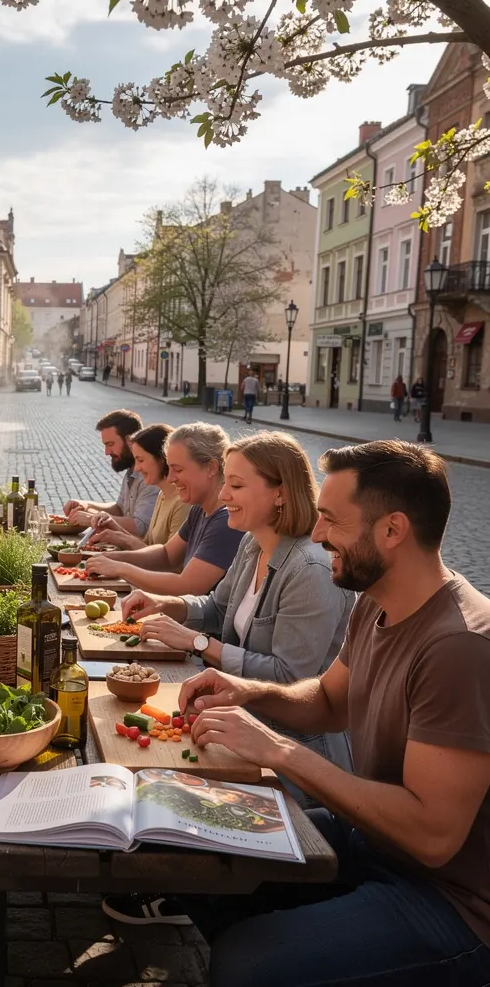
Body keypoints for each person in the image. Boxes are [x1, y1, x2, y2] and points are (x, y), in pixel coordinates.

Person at [129, 441, 490, 987]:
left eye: (332, 520)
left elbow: (432, 835)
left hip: (449, 901)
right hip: (370, 842)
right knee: (187, 845)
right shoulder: (377, 600)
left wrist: (279, 751)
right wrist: (246, 691)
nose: (317, 534)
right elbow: (327, 701)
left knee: (245, 966)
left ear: (392, 529)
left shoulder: (458, 647)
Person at [115, 431, 354, 810]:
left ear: (280, 493)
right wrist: (167, 604)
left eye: (237, 485)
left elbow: (291, 677)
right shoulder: (252, 543)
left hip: (296, 759)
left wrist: (198, 643)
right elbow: (217, 608)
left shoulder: (310, 568)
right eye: (226, 482)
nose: (224, 495)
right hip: (241, 728)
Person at [88, 422, 243, 596]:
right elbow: (167, 554)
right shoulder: (199, 509)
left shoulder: (225, 520)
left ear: (211, 468)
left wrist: (121, 568)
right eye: (170, 469)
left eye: (178, 469)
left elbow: (187, 586)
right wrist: (112, 558)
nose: (170, 478)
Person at [87, 423, 190, 552]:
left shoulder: (182, 503)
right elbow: (146, 545)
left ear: (162, 458)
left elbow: (168, 559)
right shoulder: (162, 495)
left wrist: (118, 541)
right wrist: (114, 528)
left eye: (140, 460)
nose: (136, 468)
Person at [62, 410, 159, 537]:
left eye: (110, 444)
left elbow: (140, 527)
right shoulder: (131, 469)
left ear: (129, 441)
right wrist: (87, 505)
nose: (107, 452)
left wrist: (92, 518)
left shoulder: (149, 476)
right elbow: (120, 509)